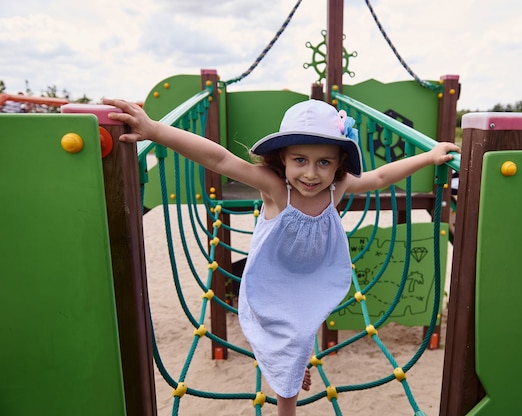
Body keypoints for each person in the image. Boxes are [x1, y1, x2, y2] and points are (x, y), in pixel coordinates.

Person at [104, 98, 459, 416]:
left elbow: (381, 176)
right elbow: (218, 157)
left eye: (324, 163)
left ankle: (292, 362)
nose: (310, 173)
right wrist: (155, 131)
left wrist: (428, 157)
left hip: (315, 275)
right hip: (273, 279)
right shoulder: (275, 189)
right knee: (279, 340)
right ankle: (287, 392)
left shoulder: (339, 186)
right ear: (283, 160)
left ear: (338, 166)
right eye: (300, 160)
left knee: (302, 333)